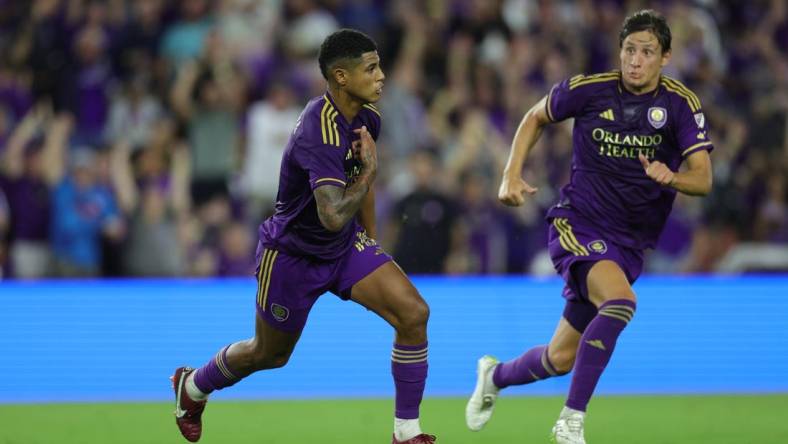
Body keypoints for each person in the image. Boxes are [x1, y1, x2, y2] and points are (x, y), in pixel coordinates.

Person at [171, 29, 436, 444]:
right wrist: (369, 172)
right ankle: (192, 387)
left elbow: (359, 186)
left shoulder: (368, 117)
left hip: (345, 247)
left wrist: (372, 245)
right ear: (341, 77)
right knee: (269, 354)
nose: (382, 76)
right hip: (293, 256)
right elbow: (332, 212)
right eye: (372, 68)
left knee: (414, 314)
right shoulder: (320, 130)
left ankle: (406, 433)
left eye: (380, 65)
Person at [465, 10, 713, 444]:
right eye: (629, 50)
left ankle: (495, 375)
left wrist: (671, 177)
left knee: (560, 359)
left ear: (666, 57)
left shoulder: (680, 105)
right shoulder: (589, 90)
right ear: (619, 52)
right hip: (578, 224)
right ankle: (571, 420)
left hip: (629, 244)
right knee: (620, 303)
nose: (636, 60)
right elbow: (535, 117)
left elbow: (704, 178)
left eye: (647, 52)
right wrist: (511, 172)